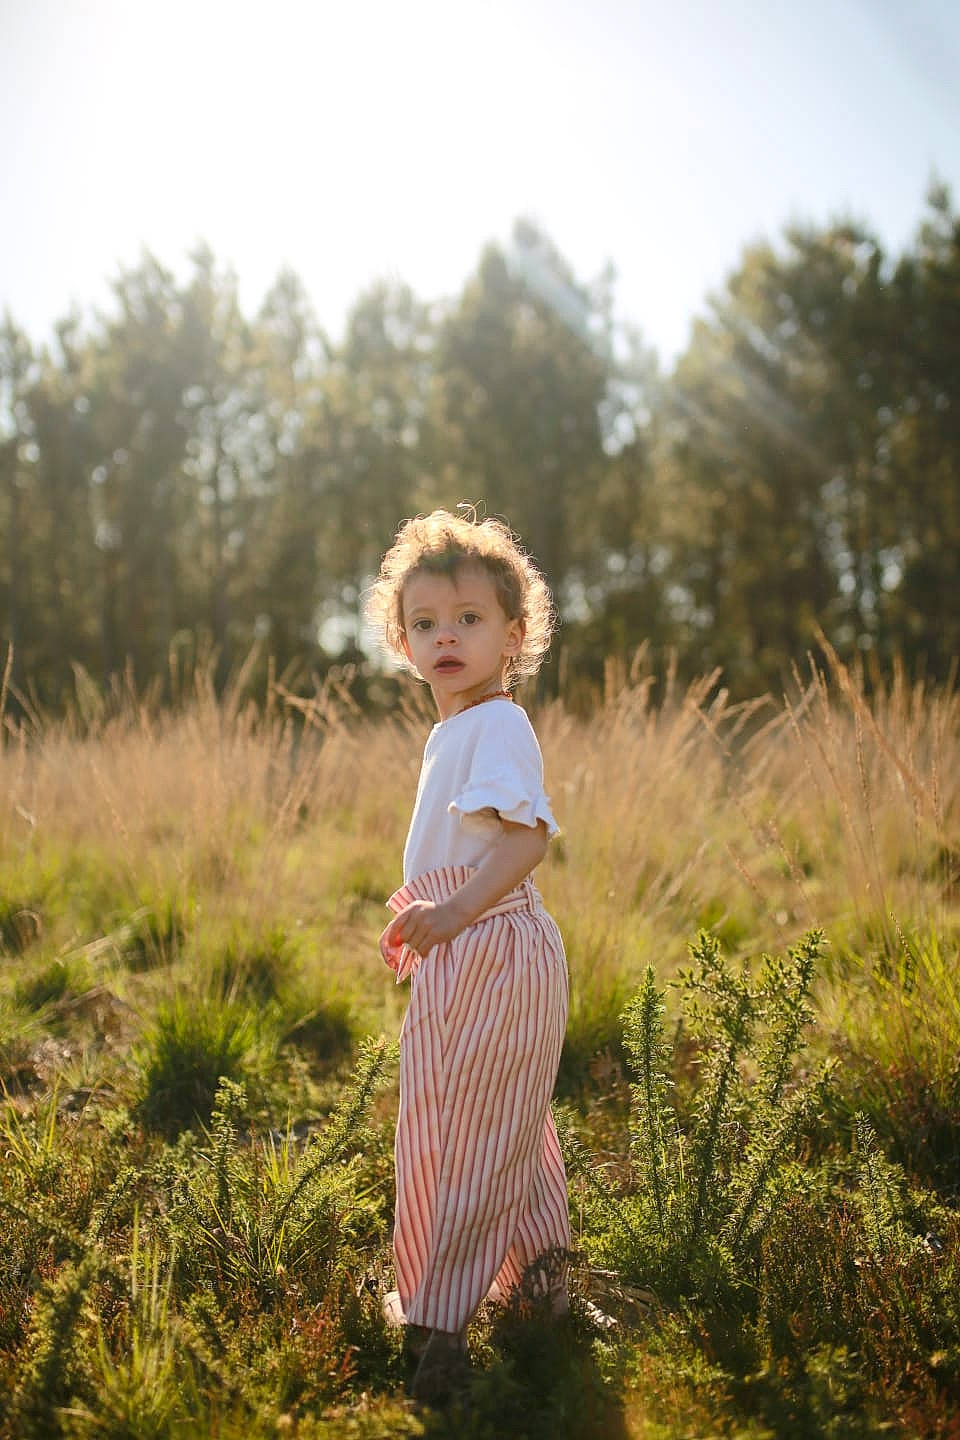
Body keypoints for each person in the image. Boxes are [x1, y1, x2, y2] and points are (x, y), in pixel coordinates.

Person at [365, 507, 570, 1404]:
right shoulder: (454, 731)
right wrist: (439, 920)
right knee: (499, 1125)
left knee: (467, 1137)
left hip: (492, 943)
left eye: (470, 620)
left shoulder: (498, 725)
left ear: (513, 635)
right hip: (464, 944)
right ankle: (544, 1291)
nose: (446, 636)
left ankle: (440, 1326)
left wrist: (449, 912)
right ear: (404, 643)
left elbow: (526, 845)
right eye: (425, 624)